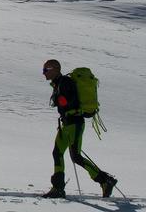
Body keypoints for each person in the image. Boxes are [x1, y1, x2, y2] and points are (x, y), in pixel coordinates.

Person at [41, 58, 116, 198]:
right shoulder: (59, 83)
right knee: (57, 153)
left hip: (74, 123)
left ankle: (105, 180)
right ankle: (57, 188)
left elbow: (68, 101)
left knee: (75, 156)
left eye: (46, 70)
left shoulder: (65, 82)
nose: (43, 73)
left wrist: (59, 100)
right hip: (67, 123)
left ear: (55, 69)